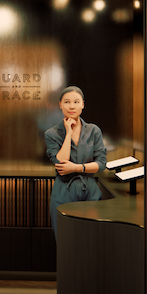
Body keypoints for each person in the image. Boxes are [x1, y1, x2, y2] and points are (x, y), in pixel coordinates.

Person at [44, 85, 108, 240]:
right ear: (60, 104)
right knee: (66, 241)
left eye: (76, 101)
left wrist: (76, 168)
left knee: (91, 239)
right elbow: (61, 162)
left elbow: (101, 164)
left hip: (91, 192)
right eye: (67, 102)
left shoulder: (94, 130)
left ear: (83, 104)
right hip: (64, 192)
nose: (71, 106)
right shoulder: (52, 134)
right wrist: (68, 133)